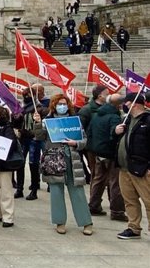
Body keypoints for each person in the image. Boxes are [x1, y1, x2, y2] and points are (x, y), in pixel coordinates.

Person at [33, 94, 93, 235]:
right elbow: (40, 136)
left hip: (72, 159)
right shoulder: (48, 121)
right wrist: (37, 123)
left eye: (64, 103)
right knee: (56, 192)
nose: (62, 106)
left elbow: (84, 140)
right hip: (54, 160)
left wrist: (76, 143)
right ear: (54, 105)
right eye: (59, 104)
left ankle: (86, 222)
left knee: (77, 192)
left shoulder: (74, 121)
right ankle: (60, 222)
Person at [114, 93, 150, 240]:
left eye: (126, 103)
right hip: (124, 168)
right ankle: (133, 227)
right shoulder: (127, 120)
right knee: (129, 200)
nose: (124, 106)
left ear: (134, 104)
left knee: (148, 200)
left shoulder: (147, 120)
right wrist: (115, 132)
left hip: (142, 168)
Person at [87, 93, 127, 221]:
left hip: (98, 152)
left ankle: (93, 205)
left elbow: (90, 132)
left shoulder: (97, 114)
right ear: (119, 105)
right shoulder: (114, 117)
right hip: (110, 153)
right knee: (115, 182)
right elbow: (114, 134)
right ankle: (117, 211)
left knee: (98, 179)